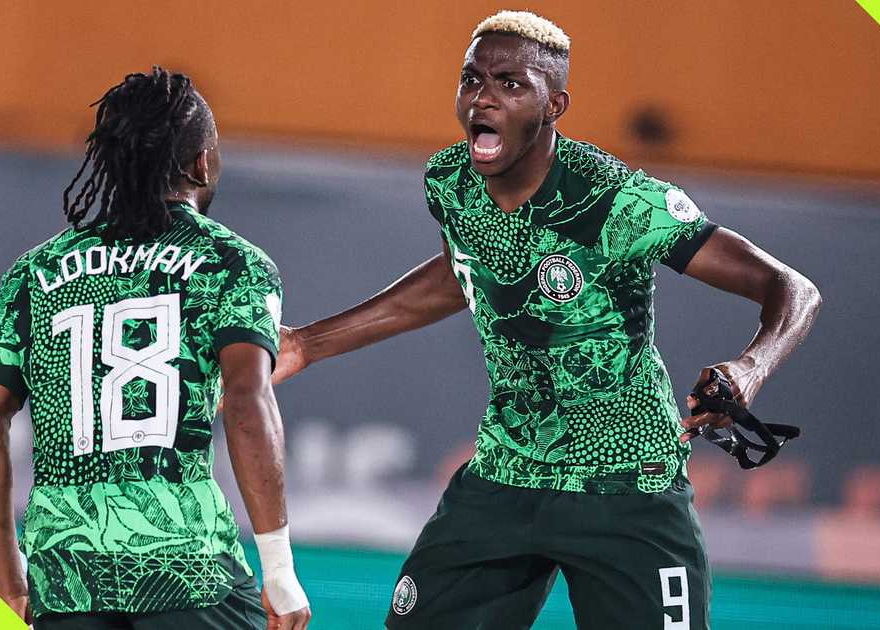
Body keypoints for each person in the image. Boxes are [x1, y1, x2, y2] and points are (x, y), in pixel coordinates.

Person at [274, 11, 821, 629]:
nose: (482, 96)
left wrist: (749, 368)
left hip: (625, 487)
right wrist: (306, 344)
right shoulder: (453, 183)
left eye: (510, 83)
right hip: (506, 475)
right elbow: (467, 273)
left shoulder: (619, 200)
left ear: (554, 104)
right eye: (471, 79)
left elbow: (791, 289)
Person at [0, 67, 311, 630]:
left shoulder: (34, 270)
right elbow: (247, 402)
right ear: (202, 162)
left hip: (65, 573)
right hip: (184, 565)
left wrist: (7, 578)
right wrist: (278, 567)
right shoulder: (232, 262)